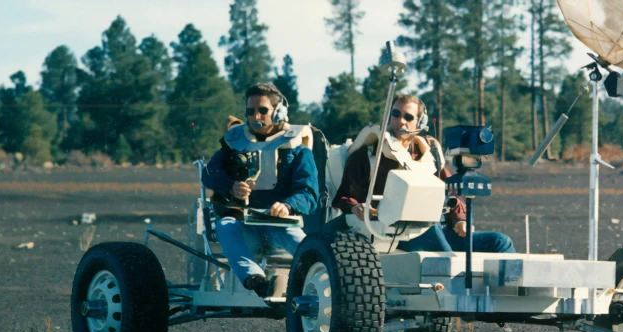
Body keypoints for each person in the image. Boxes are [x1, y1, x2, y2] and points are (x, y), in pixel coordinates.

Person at [331, 94, 513, 253]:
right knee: (442, 246)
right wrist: (357, 208)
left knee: (500, 242)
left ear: (419, 123)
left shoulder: (429, 154)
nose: (401, 121)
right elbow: (345, 197)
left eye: (408, 117)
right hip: (395, 235)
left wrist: (459, 219)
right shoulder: (368, 154)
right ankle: (457, 284)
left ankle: (509, 290)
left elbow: (452, 191)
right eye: (396, 114)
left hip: (439, 230)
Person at [202, 83, 318, 296]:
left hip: (280, 226)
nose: (256, 116)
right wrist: (231, 187)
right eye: (250, 111)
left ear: (279, 112)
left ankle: (323, 286)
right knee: (226, 226)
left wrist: (288, 205)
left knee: (306, 247)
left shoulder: (297, 149)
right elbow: (208, 175)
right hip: (244, 225)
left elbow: (309, 194)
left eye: (263, 110)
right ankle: (258, 282)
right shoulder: (234, 143)